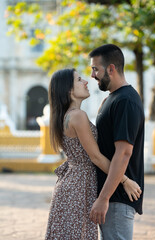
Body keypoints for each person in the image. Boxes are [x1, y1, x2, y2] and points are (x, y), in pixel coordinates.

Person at [45, 68, 142, 240]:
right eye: (79, 79)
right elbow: (95, 157)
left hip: (72, 184)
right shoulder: (78, 116)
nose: (86, 82)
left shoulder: (67, 116)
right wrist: (125, 180)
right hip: (79, 186)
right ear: (68, 89)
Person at [89, 44, 144, 240]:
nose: (93, 75)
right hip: (111, 195)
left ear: (111, 68)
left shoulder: (126, 101)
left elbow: (124, 152)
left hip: (117, 198)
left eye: (96, 69)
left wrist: (104, 198)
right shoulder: (112, 100)